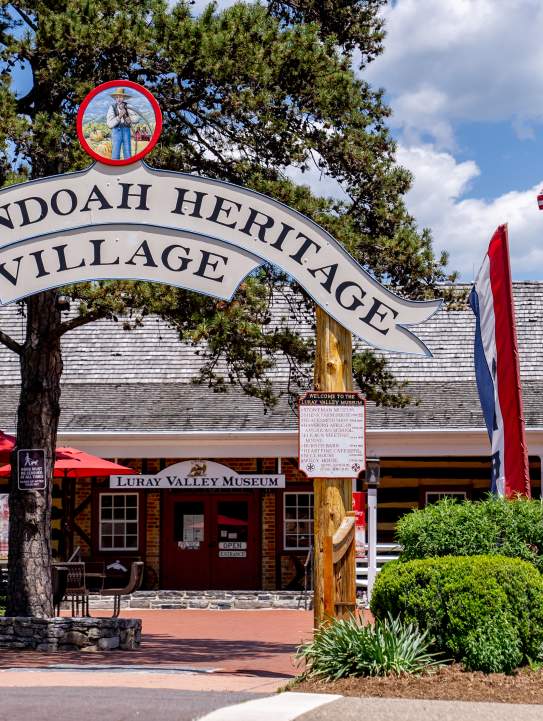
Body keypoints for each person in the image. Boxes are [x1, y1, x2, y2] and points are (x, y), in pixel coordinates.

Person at [106, 87, 139, 160]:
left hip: (126, 130)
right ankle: (114, 167)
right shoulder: (112, 107)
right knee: (115, 151)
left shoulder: (128, 106)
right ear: (115, 98)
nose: (119, 99)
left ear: (124, 98)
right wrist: (119, 116)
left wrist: (130, 119)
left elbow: (137, 118)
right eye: (117, 97)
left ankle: (128, 167)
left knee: (127, 151)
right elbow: (109, 124)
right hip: (116, 131)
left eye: (120, 97)